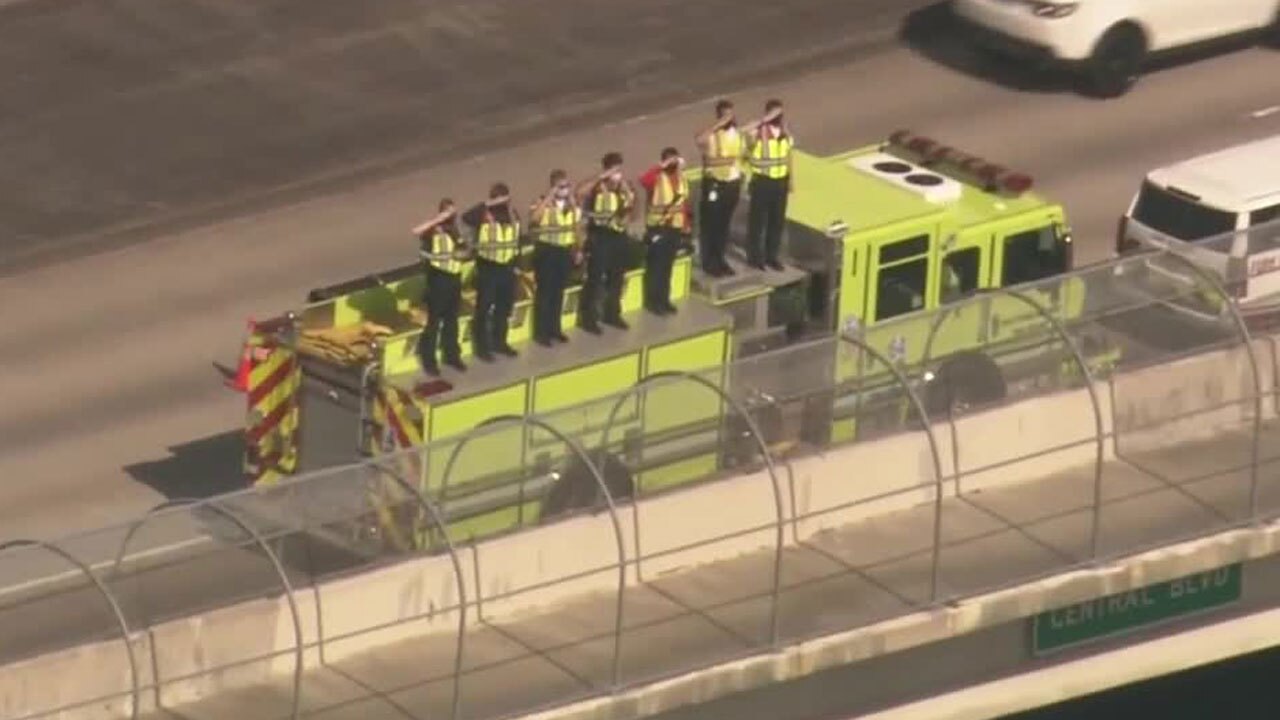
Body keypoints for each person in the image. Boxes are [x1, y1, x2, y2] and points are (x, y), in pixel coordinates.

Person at [462, 183, 523, 361]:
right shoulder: (483, 214)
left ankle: (500, 342)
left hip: (507, 267)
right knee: (484, 309)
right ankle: (482, 347)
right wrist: (487, 204)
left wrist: (517, 266)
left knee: (504, 309)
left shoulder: (512, 214)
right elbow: (466, 217)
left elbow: (515, 239)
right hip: (488, 268)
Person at [575, 152, 635, 333]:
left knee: (617, 277)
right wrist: (601, 177)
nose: (618, 174)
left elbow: (631, 206)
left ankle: (612, 314)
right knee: (595, 279)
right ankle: (588, 318)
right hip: (600, 237)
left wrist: (628, 218)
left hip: (618, 236)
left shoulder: (624, 187)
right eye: (614, 169)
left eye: (619, 169)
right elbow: (579, 192)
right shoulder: (597, 187)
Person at [412, 198, 469, 376]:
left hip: (454, 279)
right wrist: (438, 219)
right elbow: (415, 231)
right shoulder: (432, 231)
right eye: (449, 213)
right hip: (438, 280)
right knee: (434, 322)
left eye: (454, 213)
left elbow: (464, 250)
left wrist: (464, 253)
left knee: (452, 321)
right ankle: (429, 360)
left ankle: (452, 355)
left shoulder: (454, 230)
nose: (453, 216)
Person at [529, 169, 584, 346]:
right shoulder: (543, 204)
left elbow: (576, 227)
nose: (566, 189)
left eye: (567, 185)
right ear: (553, 187)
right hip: (547, 251)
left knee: (558, 292)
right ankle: (541, 332)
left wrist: (578, 249)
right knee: (545, 293)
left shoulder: (571, 206)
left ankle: (555, 329)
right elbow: (535, 219)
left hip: (564, 252)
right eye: (561, 186)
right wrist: (549, 197)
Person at [743, 98, 795, 272]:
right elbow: (744, 131)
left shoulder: (784, 132)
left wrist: (791, 179)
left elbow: (789, 156)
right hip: (762, 182)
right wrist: (764, 119)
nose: (779, 117)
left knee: (776, 222)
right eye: (776, 113)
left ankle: (771, 256)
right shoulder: (759, 131)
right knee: (757, 222)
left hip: (780, 182)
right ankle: (754, 258)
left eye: (780, 113)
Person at [639, 146, 692, 316]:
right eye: (670, 161)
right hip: (658, 227)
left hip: (675, 228)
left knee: (667, 267)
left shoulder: (681, 177)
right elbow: (643, 180)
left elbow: (682, 203)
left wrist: (685, 225)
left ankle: (664, 299)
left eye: (675, 160)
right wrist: (661, 165)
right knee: (656, 266)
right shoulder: (657, 177)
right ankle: (653, 302)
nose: (673, 164)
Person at [695, 98, 743, 277]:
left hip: (732, 183)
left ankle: (720, 259)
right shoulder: (712, 134)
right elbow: (700, 140)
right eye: (725, 114)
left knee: (724, 225)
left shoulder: (736, 133)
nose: (728, 118)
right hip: (714, 183)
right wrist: (717, 125)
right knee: (711, 225)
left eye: (730, 114)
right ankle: (709, 262)